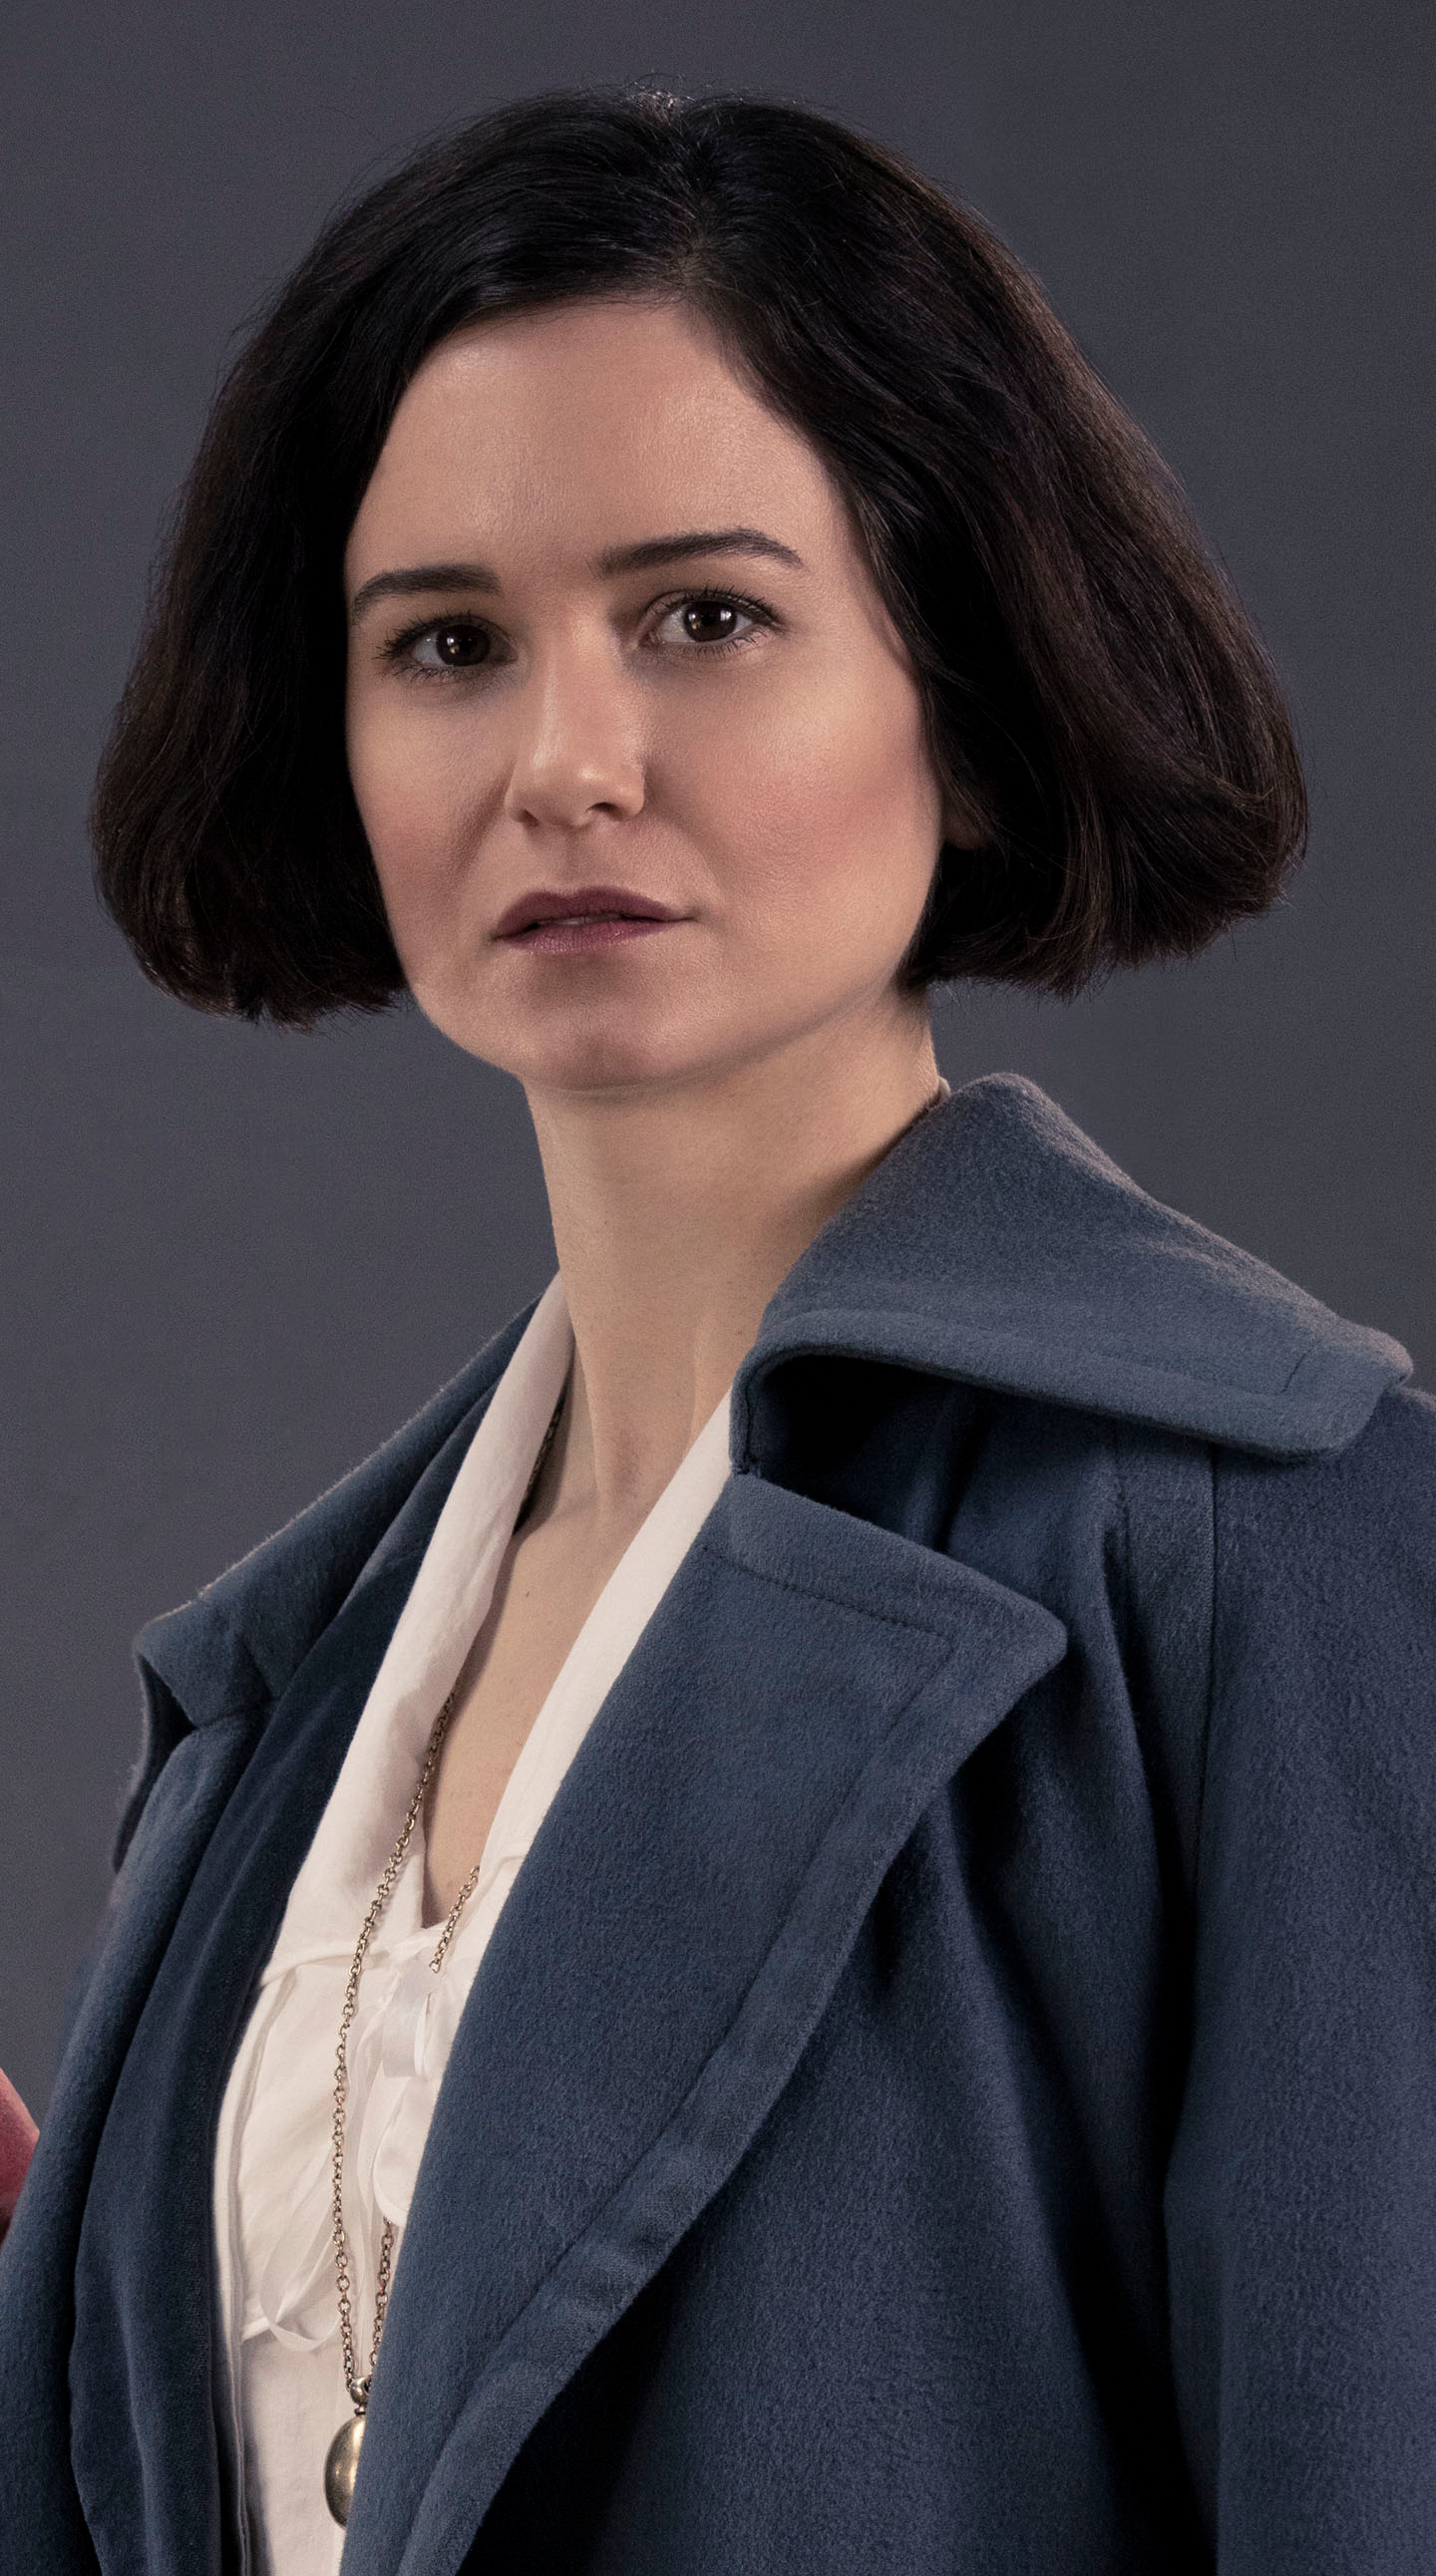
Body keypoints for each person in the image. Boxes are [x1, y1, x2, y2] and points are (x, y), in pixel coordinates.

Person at [1, 81, 1431, 2576]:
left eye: (704, 617)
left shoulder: (1271, 1549)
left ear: (966, 688)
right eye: (447, 644)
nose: (565, 761)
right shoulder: (291, 1692)